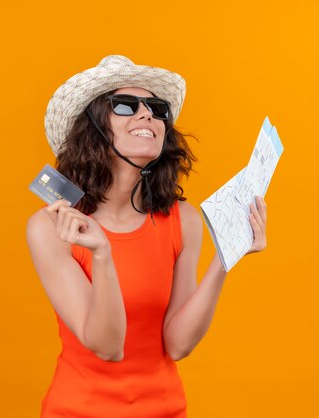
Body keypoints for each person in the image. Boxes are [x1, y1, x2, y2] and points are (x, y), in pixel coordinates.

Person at [26, 55, 268, 418]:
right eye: (126, 105)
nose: (148, 115)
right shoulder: (52, 228)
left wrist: (226, 256)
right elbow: (106, 346)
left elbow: (177, 344)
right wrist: (103, 255)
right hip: (79, 411)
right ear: (93, 127)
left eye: (157, 109)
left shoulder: (182, 220)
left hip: (164, 410)